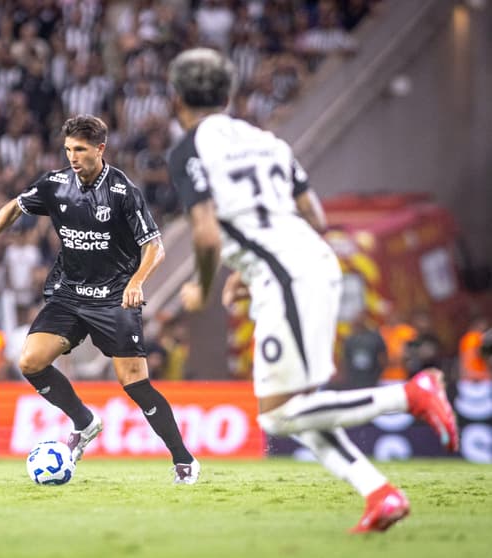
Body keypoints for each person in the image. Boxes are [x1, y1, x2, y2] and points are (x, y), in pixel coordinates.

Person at [167, 48, 458, 531]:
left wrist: (201, 286)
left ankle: (411, 394)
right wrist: (253, 262)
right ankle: (379, 492)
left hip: (286, 276)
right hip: (306, 263)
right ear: (229, 94)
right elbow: (315, 217)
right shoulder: (270, 142)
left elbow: (204, 229)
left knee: (279, 417)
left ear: (177, 100)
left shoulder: (189, 148)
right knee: (295, 407)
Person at [0, 114, 199, 484]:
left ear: (100, 149)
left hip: (115, 297)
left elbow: (155, 246)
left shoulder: (122, 191)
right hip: (68, 294)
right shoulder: (55, 185)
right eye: (68, 149)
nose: (72, 156)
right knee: (30, 360)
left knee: (134, 383)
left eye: (80, 150)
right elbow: (13, 208)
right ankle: (84, 422)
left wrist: (136, 282)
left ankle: (183, 460)